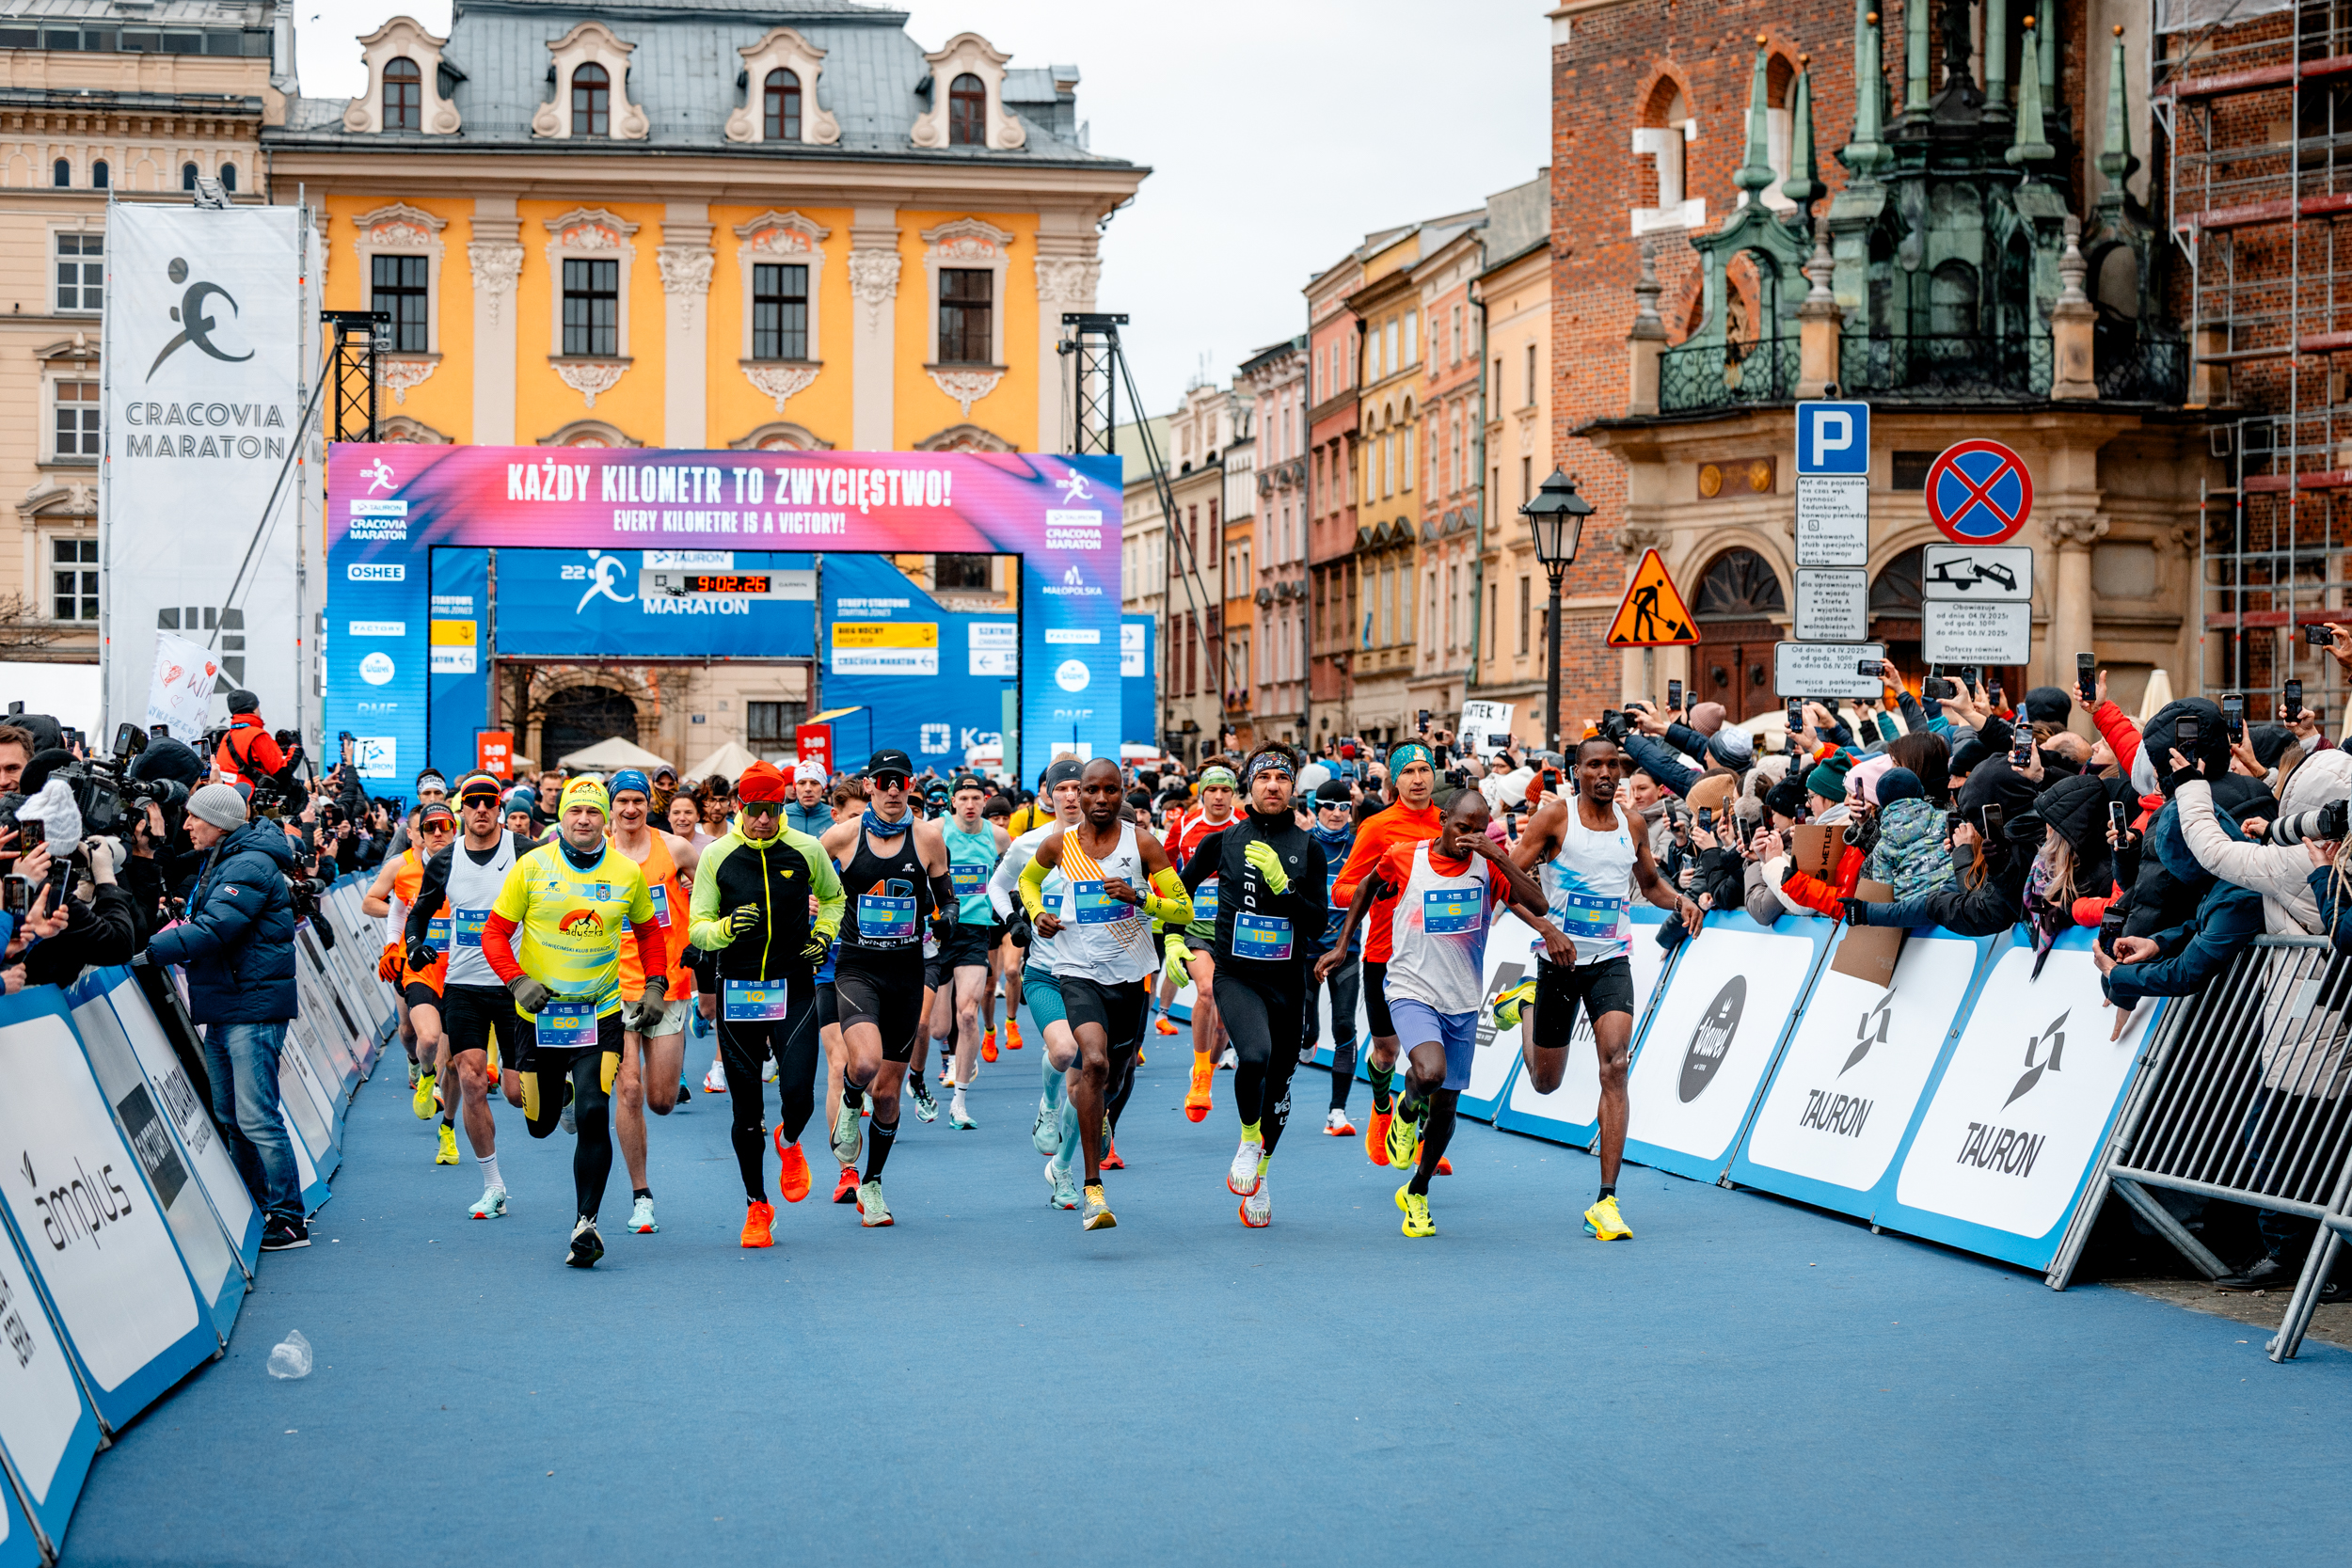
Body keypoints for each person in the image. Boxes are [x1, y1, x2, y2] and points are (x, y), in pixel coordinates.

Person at [1499, 734, 1703, 1243]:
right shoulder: (1555, 820)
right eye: (1595, 766)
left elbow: (1651, 884)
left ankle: (1606, 1201)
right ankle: (1525, 1007)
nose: (1607, 774)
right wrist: (1548, 930)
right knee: (1546, 1082)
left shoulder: (1632, 824)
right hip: (1559, 962)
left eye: (1614, 765)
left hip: (1611, 959)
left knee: (1615, 1065)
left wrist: (1679, 901)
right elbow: (1507, 881)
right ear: (1576, 772)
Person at [1326, 790, 1549, 1236]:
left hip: (1463, 999)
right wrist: (1340, 944)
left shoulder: (1489, 865)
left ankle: (1418, 1190)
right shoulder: (1406, 856)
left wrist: (1500, 857)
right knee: (1428, 1073)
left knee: (1446, 1109)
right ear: (1443, 820)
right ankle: (1406, 1114)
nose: (1469, 836)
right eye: (1462, 827)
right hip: (1410, 987)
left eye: (1479, 829)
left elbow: (1538, 904)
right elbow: (1367, 885)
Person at [481, 777, 666, 1268]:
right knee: (539, 1125)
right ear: (560, 817)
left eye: (592, 812)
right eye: (574, 812)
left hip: (599, 1013)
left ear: (605, 819)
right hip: (537, 1016)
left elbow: (650, 935)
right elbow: (495, 934)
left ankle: (586, 1223)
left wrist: (655, 985)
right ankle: (554, 1096)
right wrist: (517, 981)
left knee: (592, 1111)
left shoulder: (626, 872)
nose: (583, 819)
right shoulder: (532, 865)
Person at [135, 783, 308, 1250]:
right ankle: (256, 1204)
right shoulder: (230, 858)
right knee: (233, 1116)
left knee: (255, 1117)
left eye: (194, 817)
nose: (185, 825)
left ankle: (289, 1217)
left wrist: (147, 953)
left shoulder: (247, 864)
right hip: (232, 1003)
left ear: (220, 823)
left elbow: (214, 928)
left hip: (249, 1007)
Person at [1019, 758, 1188, 1228]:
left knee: (1114, 1074)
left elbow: (1183, 910)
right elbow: (1027, 882)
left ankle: (1083, 1141)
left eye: (1109, 791)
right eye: (1089, 790)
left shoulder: (1144, 845)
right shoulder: (1060, 844)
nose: (1097, 799)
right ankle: (1093, 1188)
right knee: (1091, 1061)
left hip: (1131, 978)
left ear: (1122, 793)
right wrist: (1036, 914)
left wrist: (1143, 900)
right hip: (1077, 972)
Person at [688, 759, 842, 1248]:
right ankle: (757, 1205)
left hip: (793, 986)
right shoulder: (717, 856)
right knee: (745, 1108)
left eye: (773, 810)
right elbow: (698, 927)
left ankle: (790, 1141)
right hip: (738, 991)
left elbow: (834, 898)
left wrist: (823, 934)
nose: (763, 820)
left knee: (798, 1096)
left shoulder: (807, 848)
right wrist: (728, 930)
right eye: (754, 810)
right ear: (739, 807)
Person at [1176, 745, 1328, 1227]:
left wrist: (1284, 886)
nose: (1273, 786)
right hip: (1236, 975)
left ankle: (1261, 1174)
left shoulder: (1311, 848)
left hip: (1288, 980)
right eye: (1264, 778)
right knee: (1255, 1057)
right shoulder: (1223, 841)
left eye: (1282, 780)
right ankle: (1247, 1140)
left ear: (1292, 789)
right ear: (1251, 786)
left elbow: (1318, 923)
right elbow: (1177, 890)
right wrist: (1175, 941)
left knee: (1280, 1087)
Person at [818, 748, 958, 1227]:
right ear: (871, 785)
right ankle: (849, 1102)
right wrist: (814, 911)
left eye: (901, 781)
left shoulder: (928, 840)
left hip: (906, 971)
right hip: (857, 967)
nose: (893, 790)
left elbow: (947, 898)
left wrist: (947, 921)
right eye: (884, 782)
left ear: (911, 785)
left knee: (891, 1095)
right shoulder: (840, 837)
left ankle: (872, 1184)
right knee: (865, 1063)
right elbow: (809, 883)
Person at [403, 773, 536, 1218]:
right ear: (462, 809)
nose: (481, 809)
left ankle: (562, 1093)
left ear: (499, 807)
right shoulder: (444, 861)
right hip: (463, 986)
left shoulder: (523, 852)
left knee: (518, 1095)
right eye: (473, 802)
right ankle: (493, 1185)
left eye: (489, 802)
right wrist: (414, 945)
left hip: (516, 985)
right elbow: (417, 913)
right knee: (474, 1080)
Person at [1326, 742, 1445, 1165]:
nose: (1417, 779)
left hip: (1439, 956)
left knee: (1432, 1055)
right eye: (1408, 772)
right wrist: (1380, 889)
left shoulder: (1447, 822)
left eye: (1424, 770)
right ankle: (1381, 1109)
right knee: (1387, 1052)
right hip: (1386, 954)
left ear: (1435, 774)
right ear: (1394, 779)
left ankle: (1423, 1142)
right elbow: (1342, 888)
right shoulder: (1377, 827)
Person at [606, 768, 703, 1236]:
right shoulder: (594, 850)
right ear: (611, 805)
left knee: (661, 1100)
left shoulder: (676, 848)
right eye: (621, 801)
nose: (629, 809)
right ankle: (641, 1194)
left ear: (649, 804)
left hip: (666, 983)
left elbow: (716, 889)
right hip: (611, 984)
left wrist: (699, 918)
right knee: (628, 1090)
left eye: (637, 801)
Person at [991, 760, 1086, 1200]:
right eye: (1061, 788)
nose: (1070, 796)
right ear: (1047, 794)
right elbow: (997, 885)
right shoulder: (1029, 843)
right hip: (1046, 972)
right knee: (1065, 1052)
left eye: (1077, 787)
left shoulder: (1114, 843)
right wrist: (1015, 918)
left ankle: (1061, 1169)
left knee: (1091, 1083)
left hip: (1098, 976)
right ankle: (1048, 1103)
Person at [379, 802, 459, 1162]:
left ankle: (448, 1129)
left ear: (455, 830)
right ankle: (426, 1075)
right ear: (418, 835)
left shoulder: (473, 867)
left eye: (445, 826)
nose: (438, 833)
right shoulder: (407, 873)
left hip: (462, 972)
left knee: (458, 1064)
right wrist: (392, 947)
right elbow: (396, 914)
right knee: (426, 1037)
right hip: (421, 968)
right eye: (431, 828)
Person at [930, 773, 1010, 1130]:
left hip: (975, 932)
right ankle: (947, 1057)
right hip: (937, 932)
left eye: (976, 798)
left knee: (967, 1014)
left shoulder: (997, 836)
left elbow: (1015, 874)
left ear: (984, 800)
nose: (970, 804)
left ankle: (959, 1101)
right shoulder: (934, 831)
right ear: (952, 801)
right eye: (963, 797)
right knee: (936, 1028)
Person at [1162, 761, 1241, 1118]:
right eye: (1213, 790)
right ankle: (1201, 1074)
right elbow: (1161, 867)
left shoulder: (1244, 825)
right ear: (1202, 793)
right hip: (1196, 925)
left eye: (1226, 790)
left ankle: (1207, 1066)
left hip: (1236, 927)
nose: (1220, 797)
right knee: (1206, 990)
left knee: (1224, 1023)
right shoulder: (1185, 825)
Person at [1302, 777, 1362, 1135]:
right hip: (1305, 951)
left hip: (1345, 951)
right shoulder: (1302, 845)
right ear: (1315, 808)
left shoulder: (1358, 848)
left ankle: (1336, 1112)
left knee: (1345, 1027)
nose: (1337, 813)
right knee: (1305, 1031)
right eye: (1329, 806)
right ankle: (1308, 1039)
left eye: (1344, 807)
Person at [211, 689, 289, 790]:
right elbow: (282, 773)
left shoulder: (227, 737)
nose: (260, 712)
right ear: (253, 709)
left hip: (227, 795)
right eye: (258, 707)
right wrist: (296, 748)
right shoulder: (258, 735)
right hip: (249, 795)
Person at [787, 761, 831, 837]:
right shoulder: (781, 814)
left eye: (814, 783)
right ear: (795, 788)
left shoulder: (835, 816)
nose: (808, 789)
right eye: (802, 783)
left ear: (823, 788)